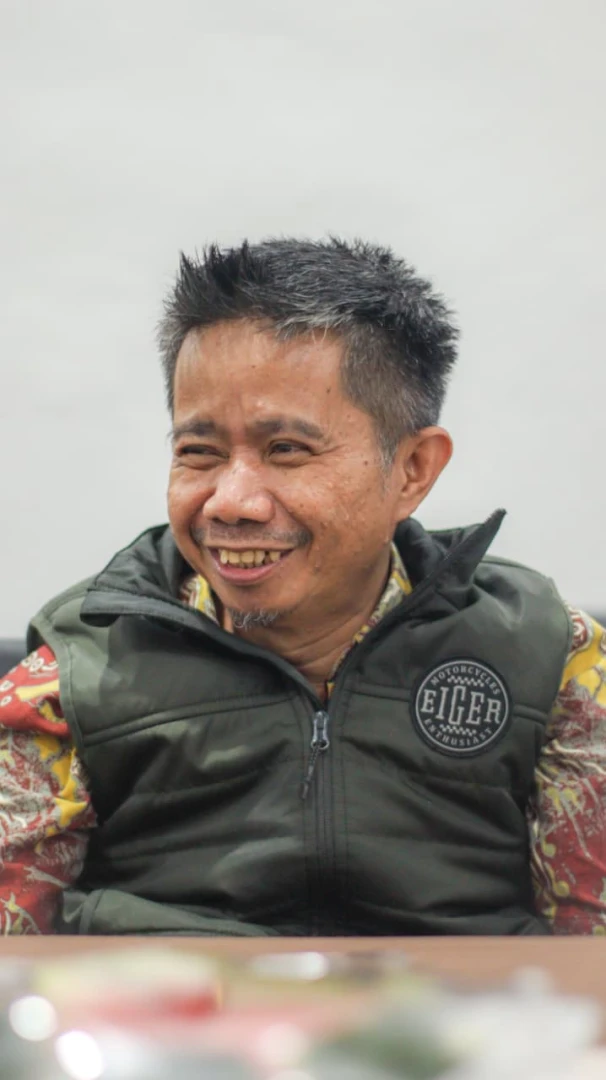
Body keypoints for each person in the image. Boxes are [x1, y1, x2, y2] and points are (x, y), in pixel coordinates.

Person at [1, 237, 605, 937]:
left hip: (455, 1006)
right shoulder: (75, 677)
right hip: (175, 1005)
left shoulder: (549, 660)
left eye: (286, 450)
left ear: (412, 469)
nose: (231, 501)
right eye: (199, 452)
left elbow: (592, 952)